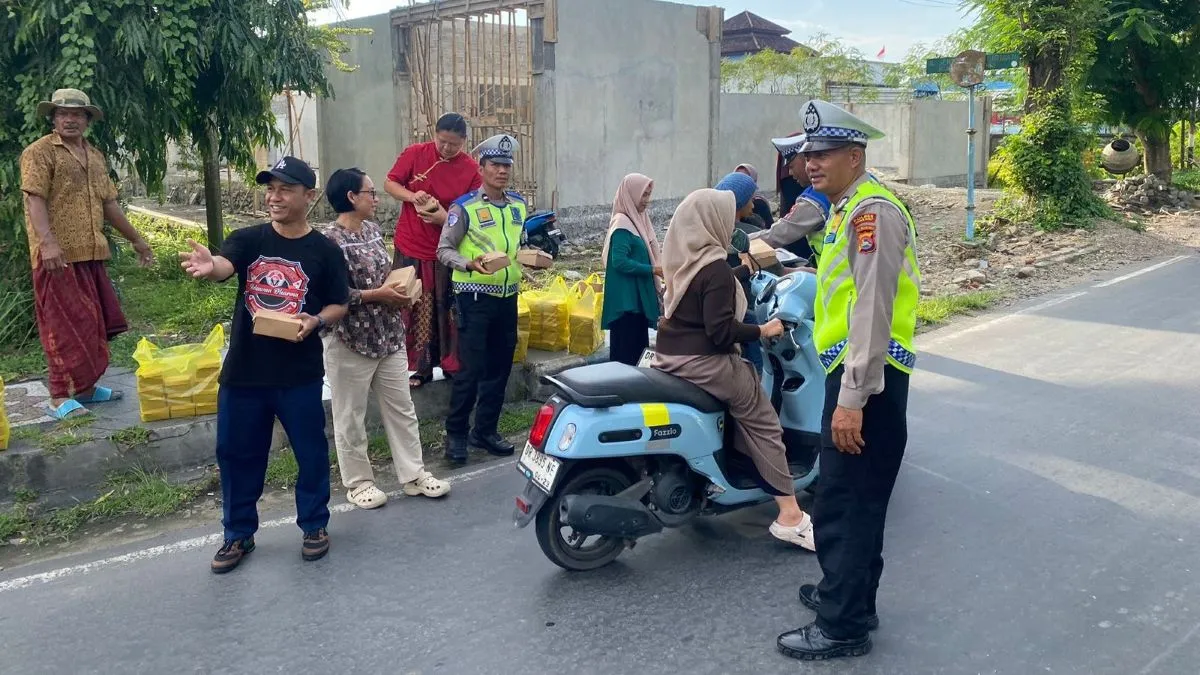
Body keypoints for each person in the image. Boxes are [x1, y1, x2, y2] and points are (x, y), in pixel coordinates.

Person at [776, 100, 921, 661]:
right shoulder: (846, 208)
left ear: (855, 156)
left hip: (869, 382)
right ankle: (849, 596)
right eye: (809, 153)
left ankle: (843, 627)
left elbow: (872, 311)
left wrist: (853, 398)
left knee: (845, 501)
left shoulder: (871, 213)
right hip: (857, 375)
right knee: (851, 497)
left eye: (825, 152)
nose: (812, 162)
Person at [178, 156, 350, 574]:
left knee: (310, 452)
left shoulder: (325, 250)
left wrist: (316, 320)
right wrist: (211, 265)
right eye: (270, 188)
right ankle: (237, 533)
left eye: (285, 189)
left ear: (308, 196)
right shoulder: (249, 239)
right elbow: (225, 265)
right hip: (245, 372)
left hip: (299, 374)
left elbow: (339, 303)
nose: (274, 197)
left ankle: (314, 525)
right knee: (236, 454)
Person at [651, 188, 815, 551]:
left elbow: (706, 291)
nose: (734, 223)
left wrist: (744, 269)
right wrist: (763, 329)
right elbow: (722, 330)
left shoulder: (684, 259)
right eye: (729, 217)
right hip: (706, 361)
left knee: (739, 405)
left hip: (671, 355)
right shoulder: (715, 271)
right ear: (712, 223)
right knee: (764, 420)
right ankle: (790, 515)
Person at [19, 88, 156, 420]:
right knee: (62, 326)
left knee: (93, 324)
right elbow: (34, 199)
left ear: (88, 120)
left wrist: (137, 240)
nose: (69, 119)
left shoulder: (95, 155)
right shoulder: (39, 153)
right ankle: (57, 396)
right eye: (63, 114)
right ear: (53, 118)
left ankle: (87, 389)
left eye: (77, 114)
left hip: (91, 251)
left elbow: (109, 204)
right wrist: (48, 243)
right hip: (57, 256)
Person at [320, 168, 451, 510]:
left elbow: (385, 275)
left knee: (402, 409)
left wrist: (404, 290)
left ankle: (413, 473)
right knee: (350, 415)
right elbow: (331, 294)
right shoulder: (328, 241)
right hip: (350, 338)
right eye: (371, 193)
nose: (376, 199)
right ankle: (359, 481)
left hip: (388, 333)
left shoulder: (375, 231)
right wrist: (378, 294)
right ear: (351, 197)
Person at [436, 134, 526, 465]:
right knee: (470, 370)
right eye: (495, 165)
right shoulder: (465, 208)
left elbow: (519, 243)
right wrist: (468, 263)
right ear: (482, 168)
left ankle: (485, 430)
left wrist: (531, 256)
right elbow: (443, 249)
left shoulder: (518, 205)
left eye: (507, 165)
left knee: (500, 368)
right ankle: (456, 434)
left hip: (508, 296)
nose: (502, 171)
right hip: (474, 297)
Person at [384, 112, 483, 389]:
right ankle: (419, 367)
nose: (446, 149)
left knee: (447, 307)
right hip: (411, 245)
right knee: (415, 306)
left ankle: (452, 364)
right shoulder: (415, 154)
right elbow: (390, 182)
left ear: (464, 141)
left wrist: (443, 218)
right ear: (434, 135)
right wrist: (412, 196)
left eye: (454, 144)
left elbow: (472, 212)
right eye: (442, 142)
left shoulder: (472, 171)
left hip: (446, 249)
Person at [600, 173, 663, 367]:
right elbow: (619, 261)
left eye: (649, 195)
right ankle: (623, 396)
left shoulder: (638, 221)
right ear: (631, 195)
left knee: (637, 355)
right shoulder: (622, 224)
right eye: (643, 195)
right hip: (627, 304)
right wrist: (653, 269)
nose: (646, 201)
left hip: (636, 301)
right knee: (627, 359)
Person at [750, 135, 832, 270]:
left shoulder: (814, 200)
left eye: (791, 166)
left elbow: (779, 233)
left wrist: (738, 242)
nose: (790, 172)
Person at [714, 171, 768, 375]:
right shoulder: (735, 234)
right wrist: (745, 268)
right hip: (730, 311)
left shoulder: (727, 231)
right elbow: (713, 280)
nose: (754, 206)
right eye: (750, 200)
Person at [734, 163, 775, 227]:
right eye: (737, 177)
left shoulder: (759, 203)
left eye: (745, 178)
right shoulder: (729, 203)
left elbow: (769, 229)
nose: (741, 182)